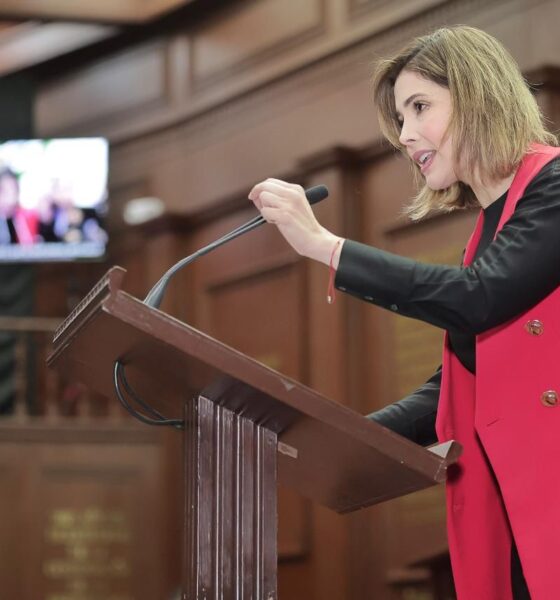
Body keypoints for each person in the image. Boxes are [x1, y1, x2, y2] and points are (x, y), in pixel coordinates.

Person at [248, 26, 560, 600]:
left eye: (420, 107)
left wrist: (325, 246)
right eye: (399, 118)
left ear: (477, 95)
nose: (405, 134)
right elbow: (456, 383)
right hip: (515, 506)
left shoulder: (555, 186)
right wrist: (339, 440)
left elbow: (478, 298)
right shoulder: (488, 229)